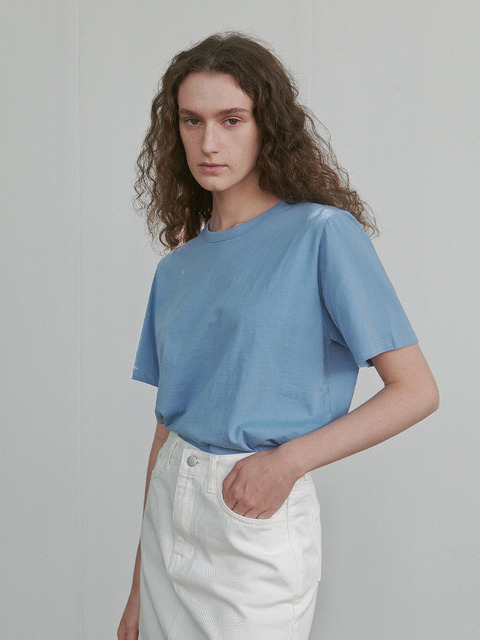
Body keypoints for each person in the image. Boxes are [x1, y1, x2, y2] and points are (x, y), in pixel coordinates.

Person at [117, 32, 439, 640]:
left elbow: (416, 391)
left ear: (267, 125)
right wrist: (138, 587)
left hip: (248, 513)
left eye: (231, 119)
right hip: (167, 514)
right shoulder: (177, 268)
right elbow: (166, 427)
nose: (209, 142)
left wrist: (287, 463)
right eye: (191, 120)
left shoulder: (321, 234)